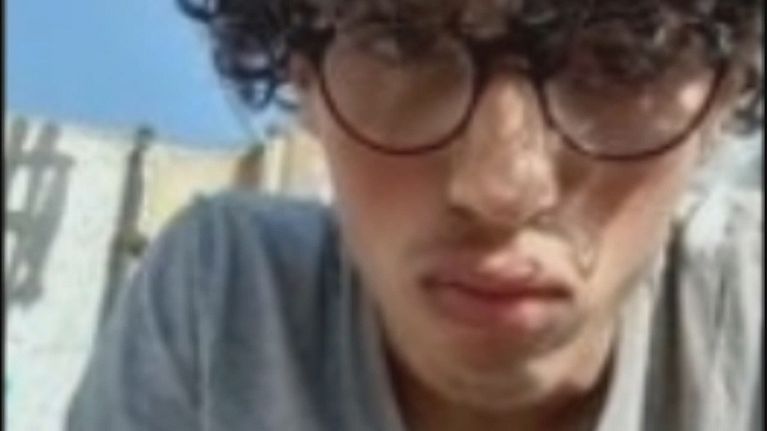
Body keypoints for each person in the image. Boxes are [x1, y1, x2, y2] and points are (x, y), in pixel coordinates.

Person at [66, 0, 763, 430]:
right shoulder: (224, 301)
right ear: (304, 78)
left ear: (727, 96)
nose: (501, 188)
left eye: (623, 55)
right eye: (404, 40)